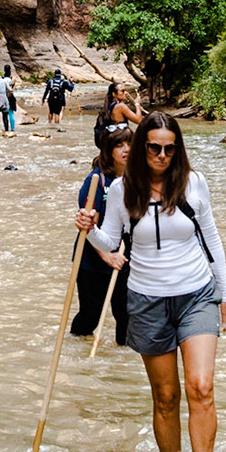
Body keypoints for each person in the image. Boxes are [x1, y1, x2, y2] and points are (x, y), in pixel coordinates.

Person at [76, 113, 226, 452]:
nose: (162, 155)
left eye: (169, 149)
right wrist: (89, 229)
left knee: (201, 386)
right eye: (154, 148)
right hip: (147, 300)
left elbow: (211, 239)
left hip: (196, 295)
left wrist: (225, 293)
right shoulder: (122, 189)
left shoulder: (194, 183)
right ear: (141, 148)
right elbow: (110, 242)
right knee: (165, 396)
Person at [70, 124, 131, 344]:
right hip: (93, 260)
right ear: (108, 150)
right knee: (90, 315)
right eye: (119, 145)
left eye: (129, 144)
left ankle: (121, 360)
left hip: (125, 257)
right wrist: (107, 257)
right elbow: (87, 226)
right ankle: (76, 348)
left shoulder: (137, 179)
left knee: (127, 316)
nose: (126, 149)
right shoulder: (96, 181)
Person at [93, 80, 142, 145]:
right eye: (122, 91)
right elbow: (138, 120)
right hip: (120, 140)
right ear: (114, 94)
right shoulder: (120, 106)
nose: (126, 93)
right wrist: (137, 104)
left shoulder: (109, 106)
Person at [0, 66, 17, 133]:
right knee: (11, 113)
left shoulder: (2, 79)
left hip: (3, 97)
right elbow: (12, 88)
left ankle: (6, 129)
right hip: (10, 97)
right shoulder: (12, 79)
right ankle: (12, 128)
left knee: (4, 114)